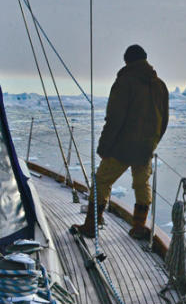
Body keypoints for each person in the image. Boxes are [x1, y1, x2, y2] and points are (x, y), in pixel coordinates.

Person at [71, 44, 169, 239]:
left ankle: (91, 224)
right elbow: (164, 119)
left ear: (127, 61)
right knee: (142, 184)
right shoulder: (159, 85)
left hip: (122, 147)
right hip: (145, 147)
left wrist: (104, 146)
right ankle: (139, 226)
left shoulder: (125, 81)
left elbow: (115, 118)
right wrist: (153, 142)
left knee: (102, 181)